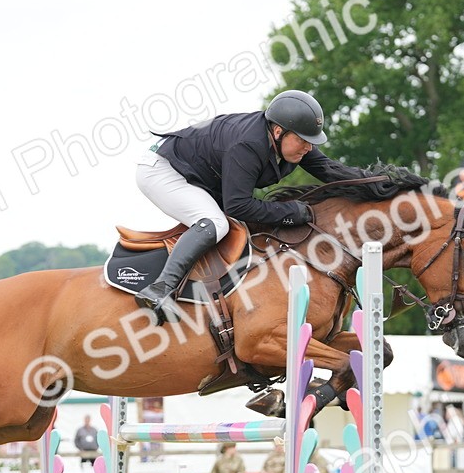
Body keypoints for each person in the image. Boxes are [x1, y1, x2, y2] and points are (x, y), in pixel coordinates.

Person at [133, 89, 380, 323]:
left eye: (311, 141)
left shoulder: (292, 142)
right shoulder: (248, 145)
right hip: (163, 171)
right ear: (278, 131)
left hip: (199, 174)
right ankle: (160, 288)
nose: (309, 147)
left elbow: (330, 170)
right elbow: (238, 207)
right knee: (216, 223)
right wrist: (292, 212)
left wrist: (380, 187)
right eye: (304, 140)